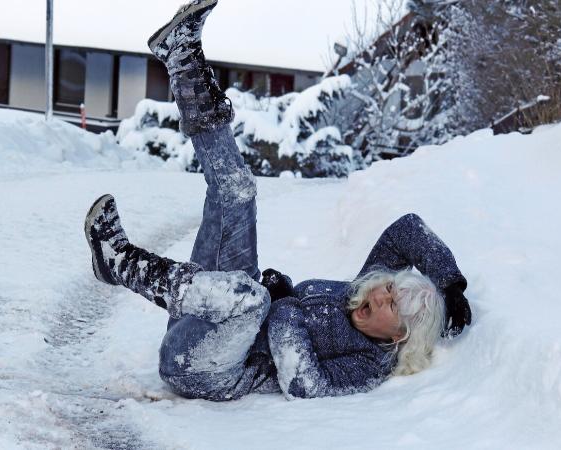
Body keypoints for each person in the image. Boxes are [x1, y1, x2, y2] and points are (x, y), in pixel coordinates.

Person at [84, 0, 471, 401]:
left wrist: (284, 305)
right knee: (237, 192)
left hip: (205, 368)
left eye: (391, 304)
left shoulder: (370, 363)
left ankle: (121, 263)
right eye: (388, 287)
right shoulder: (362, 293)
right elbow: (407, 230)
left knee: (251, 299)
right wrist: (450, 284)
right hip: (212, 317)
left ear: (400, 336)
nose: (378, 295)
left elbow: (305, 383)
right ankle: (183, 58)